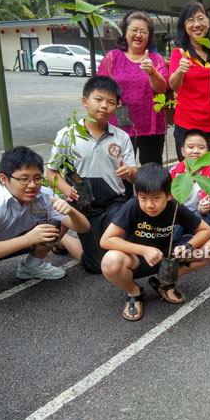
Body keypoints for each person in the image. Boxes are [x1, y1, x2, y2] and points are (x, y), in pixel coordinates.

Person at [0, 146, 90, 317]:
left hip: (15, 236)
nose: (32, 185)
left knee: (58, 223)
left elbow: (83, 228)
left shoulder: (44, 196)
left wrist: (71, 211)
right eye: (24, 179)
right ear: (4, 179)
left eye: (37, 178)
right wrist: (29, 238)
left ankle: (31, 266)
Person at [100, 163, 210, 320]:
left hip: (167, 257)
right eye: (143, 198)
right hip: (137, 260)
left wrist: (188, 246)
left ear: (169, 195)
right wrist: (144, 250)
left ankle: (164, 282)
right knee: (110, 261)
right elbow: (106, 240)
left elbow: (206, 230)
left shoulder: (174, 207)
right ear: (138, 195)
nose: (149, 204)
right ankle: (134, 292)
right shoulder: (133, 206)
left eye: (156, 198)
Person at [47, 76, 138, 274]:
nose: (105, 106)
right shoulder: (67, 135)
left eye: (111, 102)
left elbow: (134, 176)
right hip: (84, 206)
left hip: (115, 203)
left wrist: (130, 172)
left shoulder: (121, 137)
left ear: (117, 106)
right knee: (96, 266)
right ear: (85, 101)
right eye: (99, 99)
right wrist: (66, 189)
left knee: (123, 251)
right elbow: (52, 172)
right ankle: (65, 240)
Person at [98, 10, 169, 167]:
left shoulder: (156, 59)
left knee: (151, 170)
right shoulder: (112, 57)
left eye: (143, 32)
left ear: (149, 36)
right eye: (134, 30)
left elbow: (162, 89)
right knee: (120, 169)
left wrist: (152, 72)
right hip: (119, 124)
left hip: (151, 126)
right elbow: (99, 89)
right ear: (125, 32)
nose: (139, 35)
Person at [169, 1, 210, 160]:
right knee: (189, 175)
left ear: (208, 22)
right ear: (184, 26)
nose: (196, 24)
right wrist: (179, 71)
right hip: (187, 127)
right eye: (190, 20)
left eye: (200, 18)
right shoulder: (179, 53)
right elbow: (173, 85)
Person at [170, 129, 210, 240]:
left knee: (196, 216)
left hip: (199, 214)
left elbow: (207, 201)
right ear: (182, 151)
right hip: (178, 216)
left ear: (207, 151)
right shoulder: (174, 171)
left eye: (201, 148)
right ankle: (173, 244)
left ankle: (176, 242)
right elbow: (170, 200)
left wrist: (203, 207)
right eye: (190, 147)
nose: (196, 151)